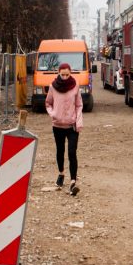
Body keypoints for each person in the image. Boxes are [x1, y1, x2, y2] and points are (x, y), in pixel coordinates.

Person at [45, 62, 83, 196]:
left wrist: (78, 121)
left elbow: (79, 105)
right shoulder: (53, 87)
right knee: (60, 150)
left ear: (70, 73)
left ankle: (73, 181)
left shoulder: (75, 86)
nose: (65, 77)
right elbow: (48, 103)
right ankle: (61, 173)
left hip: (72, 126)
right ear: (58, 73)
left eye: (67, 74)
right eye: (63, 75)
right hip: (58, 125)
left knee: (72, 152)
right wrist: (53, 114)